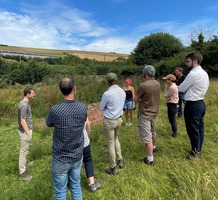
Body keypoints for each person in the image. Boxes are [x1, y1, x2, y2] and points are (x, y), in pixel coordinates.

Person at [46, 77, 87, 200]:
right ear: (74, 89)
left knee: (60, 192)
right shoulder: (82, 107)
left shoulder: (55, 110)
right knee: (75, 185)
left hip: (60, 157)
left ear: (61, 90)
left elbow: (48, 123)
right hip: (77, 155)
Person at [179, 52, 209, 159]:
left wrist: (177, 85)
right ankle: (198, 150)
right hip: (200, 102)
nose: (186, 64)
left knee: (192, 129)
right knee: (199, 128)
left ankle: (195, 152)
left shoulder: (193, 73)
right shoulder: (204, 73)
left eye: (188, 61)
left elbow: (181, 88)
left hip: (193, 104)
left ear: (194, 61)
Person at [100, 72, 126, 175]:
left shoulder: (107, 94)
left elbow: (101, 107)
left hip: (110, 120)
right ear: (116, 80)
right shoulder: (122, 91)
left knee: (110, 143)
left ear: (108, 82)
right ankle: (120, 160)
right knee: (116, 139)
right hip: (119, 119)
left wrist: (107, 107)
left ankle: (112, 166)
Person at [134, 65, 160, 165]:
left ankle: (150, 159)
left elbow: (135, 99)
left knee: (146, 137)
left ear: (145, 74)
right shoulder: (157, 83)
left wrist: (140, 99)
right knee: (153, 131)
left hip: (145, 113)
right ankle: (154, 148)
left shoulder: (143, 85)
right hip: (154, 112)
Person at [18, 87, 35, 182]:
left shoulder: (23, 103)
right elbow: (23, 121)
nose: (34, 95)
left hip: (25, 130)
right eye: (32, 93)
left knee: (25, 149)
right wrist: (28, 133)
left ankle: (24, 163)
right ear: (27, 94)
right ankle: (22, 173)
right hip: (25, 131)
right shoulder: (24, 105)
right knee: (23, 151)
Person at [82, 117, 101, 192]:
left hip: (72, 146)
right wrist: (87, 137)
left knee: (76, 164)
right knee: (88, 161)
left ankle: (75, 183)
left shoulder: (64, 114)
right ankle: (92, 184)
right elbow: (88, 127)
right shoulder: (82, 110)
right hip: (84, 143)